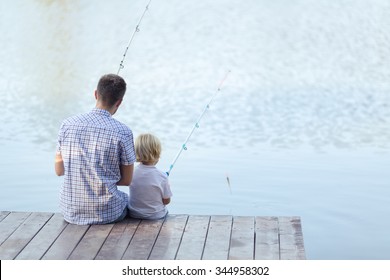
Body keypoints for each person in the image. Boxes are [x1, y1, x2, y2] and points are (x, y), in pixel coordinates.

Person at [54, 74, 135, 225]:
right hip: (107, 214)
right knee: (128, 201)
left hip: (70, 211)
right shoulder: (123, 132)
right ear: (119, 102)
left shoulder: (67, 124)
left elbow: (59, 171)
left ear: (96, 94)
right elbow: (126, 180)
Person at [128, 133, 172, 219]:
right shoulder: (162, 176)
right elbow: (166, 201)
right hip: (156, 216)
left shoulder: (131, 173)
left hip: (134, 214)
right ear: (157, 153)